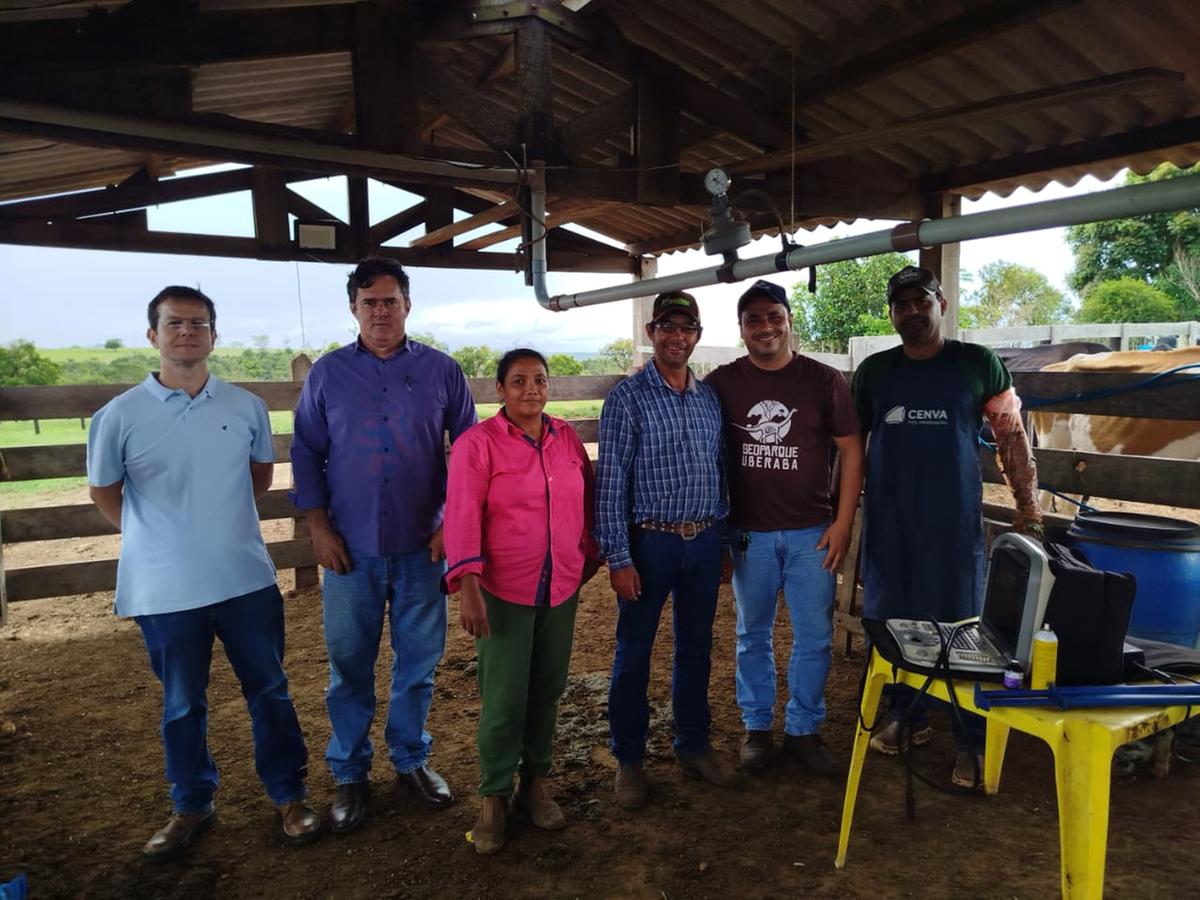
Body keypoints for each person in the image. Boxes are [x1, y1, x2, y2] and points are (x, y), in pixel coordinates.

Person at [87, 286, 319, 859]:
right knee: (182, 702)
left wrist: (216, 526)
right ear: (153, 334)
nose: (187, 332)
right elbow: (105, 493)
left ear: (214, 335)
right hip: (164, 589)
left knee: (270, 689)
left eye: (198, 323)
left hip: (244, 578)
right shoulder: (118, 416)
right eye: (174, 323)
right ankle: (192, 803)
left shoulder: (245, 407)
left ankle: (289, 794)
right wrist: (162, 536)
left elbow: (258, 478)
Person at [291, 257, 476, 832]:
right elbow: (305, 451)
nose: (380, 312)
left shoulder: (443, 371)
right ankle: (349, 772)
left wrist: (450, 523)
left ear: (407, 305)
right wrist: (319, 528)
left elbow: (470, 453)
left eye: (390, 301)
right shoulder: (327, 375)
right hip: (351, 549)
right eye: (369, 302)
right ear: (353, 307)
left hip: (424, 546)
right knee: (349, 666)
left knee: (418, 663)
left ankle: (411, 759)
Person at [852, 265, 1043, 787]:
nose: (913, 311)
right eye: (902, 304)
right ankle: (906, 715)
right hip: (889, 523)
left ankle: (969, 737)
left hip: (953, 524)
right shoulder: (874, 372)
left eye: (922, 301)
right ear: (891, 314)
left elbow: (1011, 435)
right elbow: (850, 449)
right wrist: (841, 514)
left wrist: (1028, 507)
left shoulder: (976, 363)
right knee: (891, 620)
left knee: (962, 627)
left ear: (941, 303)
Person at [444, 349, 601, 854]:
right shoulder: (478, 445)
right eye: (518, 381)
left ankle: (535, 782)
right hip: (503, 591)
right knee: (505, 696)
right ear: (500, 390)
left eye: (539, 380)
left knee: (548, 688)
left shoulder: (566, 438)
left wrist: (588, 554)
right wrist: (469, 587)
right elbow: (462, 515)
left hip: (560, 586)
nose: (531, 389)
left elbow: (587, 497)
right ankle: (493, 794)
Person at [705, 280, 864, 777]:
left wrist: (843, 522)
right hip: (747, 533)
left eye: (774, 316)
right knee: (752, 632)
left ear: (790, 320)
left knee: (814, 635)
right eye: (753, 319)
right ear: (741, 328)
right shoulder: (722, 383)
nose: (765, 326)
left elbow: (851, 449)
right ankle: (757, 727)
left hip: (811, 534)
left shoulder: (823, 380)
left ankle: (803, 729)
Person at [595, 290, 736, 811]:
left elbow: (720, 471)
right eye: (667, 327)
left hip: (703, 539)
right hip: (649, 542)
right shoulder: (627, 398)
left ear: (697, 335)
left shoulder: (707, 399)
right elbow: (610, 482)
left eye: (686, 328)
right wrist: (618, 557)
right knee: (634, 652)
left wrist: (722, 540)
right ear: (651, 332)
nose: (677, 337)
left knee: (696, 648)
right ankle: (629, 758)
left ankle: (693, 744)